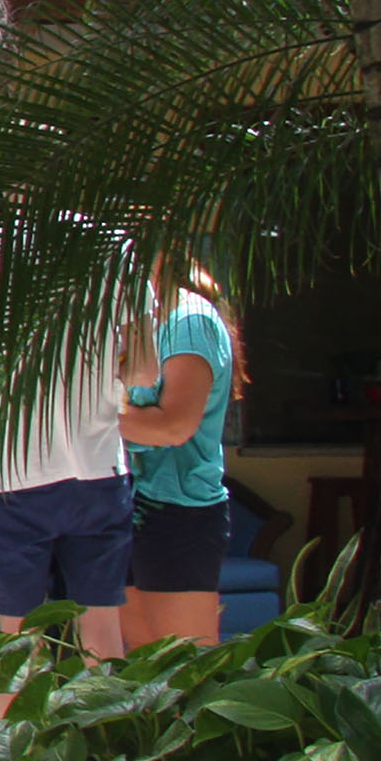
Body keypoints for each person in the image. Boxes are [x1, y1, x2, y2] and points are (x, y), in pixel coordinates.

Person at [0, 287, 140, 662]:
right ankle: (104, 720)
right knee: (102, 631)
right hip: (97, 465)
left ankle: (15, 722)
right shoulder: (120, 251)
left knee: (17, 643)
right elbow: (144, 369)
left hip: (13, 468)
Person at [121, 258, 238, 648]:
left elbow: (174, 426)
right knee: (135, 673)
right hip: (123, 505)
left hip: (176, 510)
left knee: (186, 669)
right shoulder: (133, 321)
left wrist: (83, 417)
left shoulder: (189, 320)